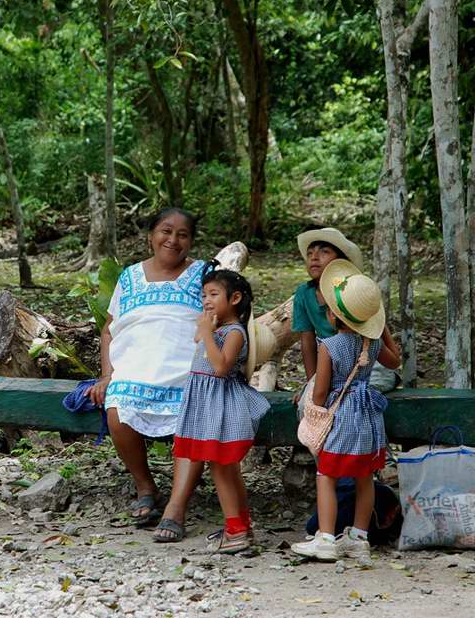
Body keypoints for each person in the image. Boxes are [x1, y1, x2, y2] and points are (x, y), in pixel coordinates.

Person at [88, 208, 206, 526]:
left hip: (188, 367)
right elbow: (109, 329)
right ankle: (146, 487)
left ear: (191, 241)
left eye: (183, 234)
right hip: (136, 367)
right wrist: (107, 375)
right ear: (150, 236)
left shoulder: (204, 273)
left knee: (197, 410)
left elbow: (225, 319)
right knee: (118, 407)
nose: (173, 239)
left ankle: (177, 508)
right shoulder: (129, 276)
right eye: (165, 231)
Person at [292, 259, 401, 563]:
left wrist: (315, 407)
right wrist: (380, 327)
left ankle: (325, 538)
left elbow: (322, 390)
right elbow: (395, 362)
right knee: (365, 476)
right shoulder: (373, 343)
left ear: (332, 314)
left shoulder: (329, 345)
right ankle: (359, 538)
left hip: (340, 419)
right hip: (367, 417)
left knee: (326, 474)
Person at [165, 263, 271, 553]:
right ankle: (242, 527)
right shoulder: (218, 328)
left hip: (223, 407)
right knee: (227, 469)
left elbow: (221, 367)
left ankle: (235, 531)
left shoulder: (234, 332)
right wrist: (207, 330)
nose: (206, 301)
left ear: (234, 299)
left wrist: (207, 333)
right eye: (203, 296)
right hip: (209, 406)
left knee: (221, 469)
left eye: (213, 294)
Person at [292, 228, 397, 411]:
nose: (314, 257)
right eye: (310, 253)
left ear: (340, 261)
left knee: (365, 393)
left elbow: (391, 360)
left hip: (368, 365)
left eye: (324, 251)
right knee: (308, 403)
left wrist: (379, 323)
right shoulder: (304, 293)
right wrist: (311, 383)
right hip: (332, 365)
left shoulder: (353, 291)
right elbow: (307, 342)